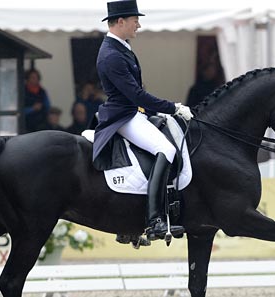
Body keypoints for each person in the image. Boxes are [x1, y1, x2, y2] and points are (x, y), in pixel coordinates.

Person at [93, 0, 193, 241]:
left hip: (133, 111)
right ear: (120, 21)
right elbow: (136, 95)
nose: (138, 24)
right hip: (123, 115)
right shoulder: (111, 55)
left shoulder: (121, 47)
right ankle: (154, 220)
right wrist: (173, 107)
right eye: (135, 20)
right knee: (166, 149)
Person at [24, 68, 51, 133]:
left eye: (37, 78)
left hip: (41, 125)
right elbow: (20, 111)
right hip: (27, 125)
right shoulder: (23, 91)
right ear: (27, 79)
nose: (35, 80)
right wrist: (32, 108)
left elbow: (48, 106)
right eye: (32, 77)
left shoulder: (42, 91)